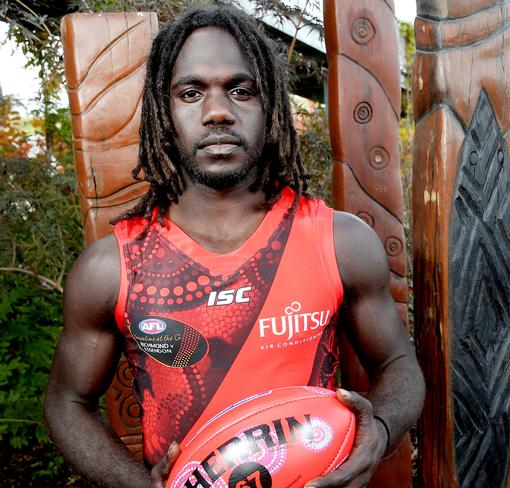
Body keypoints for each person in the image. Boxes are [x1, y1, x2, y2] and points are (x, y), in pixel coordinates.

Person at [44, 4, 424, 487]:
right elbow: (66, 401)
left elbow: (398, 364)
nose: (218, 111)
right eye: (191, 92)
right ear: (165, 111)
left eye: (241, 90)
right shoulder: (112, 267)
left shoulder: (339, 240)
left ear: (271, 107)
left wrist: (381, 431)